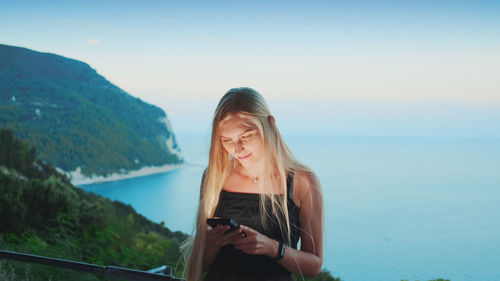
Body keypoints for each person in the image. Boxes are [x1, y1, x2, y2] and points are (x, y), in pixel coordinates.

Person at [181, 87, 324, 281]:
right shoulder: (214, 176)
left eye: (245, 137)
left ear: (270, 125)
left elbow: (314, 266)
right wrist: (212, 244)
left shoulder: (302, 181)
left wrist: (273, 248)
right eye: (226, 140)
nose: (237, 149)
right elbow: (200, 264)